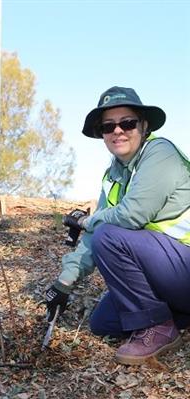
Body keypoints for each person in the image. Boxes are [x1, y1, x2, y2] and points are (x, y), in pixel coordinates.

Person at [45, 86, 190, 365]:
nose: (118, 131)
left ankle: (157, 328)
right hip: (171, 274)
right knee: (104, 322)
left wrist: (89, 220)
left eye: (127, 123)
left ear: (144, 126)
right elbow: (91, 236)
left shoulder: (160, 153)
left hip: (184, 262)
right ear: (101, 134)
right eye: (108, 126)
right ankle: (172, 318)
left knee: (109, 236)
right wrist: (64, 282)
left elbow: (132, 215)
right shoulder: (112, 177)